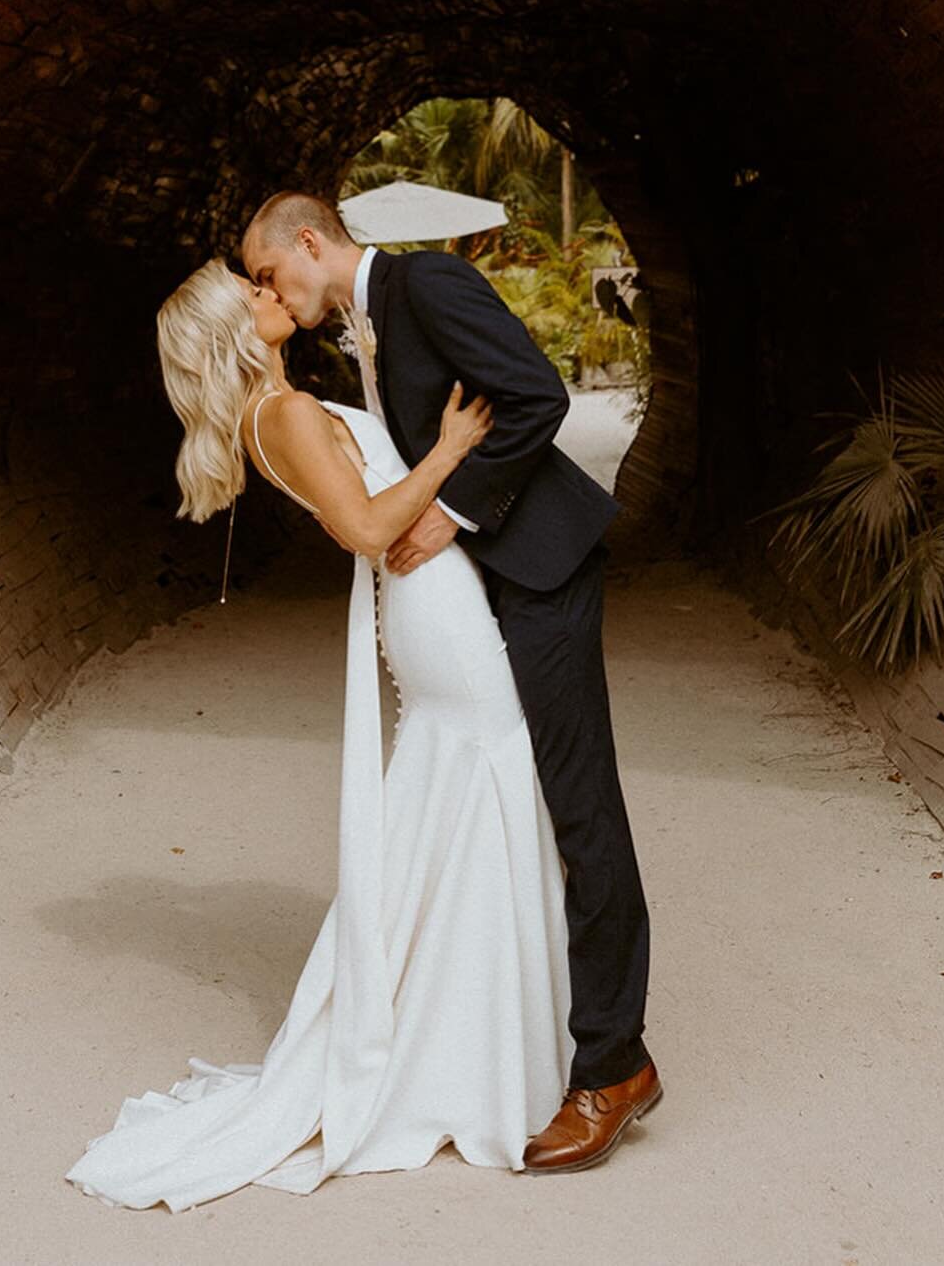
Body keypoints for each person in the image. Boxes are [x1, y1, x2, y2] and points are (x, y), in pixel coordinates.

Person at [64, 255, 592, 1212]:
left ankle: (475, 1039)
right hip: (431, 607)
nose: (271, 294)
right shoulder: (286, 417)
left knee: (466, 803)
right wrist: (448, 449)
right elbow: (363, 528)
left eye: (265, 281)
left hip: (431, 607)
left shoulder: (280, 407)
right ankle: (472, 1054)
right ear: (235, 328)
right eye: (252, 294)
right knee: (490, 784)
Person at [241, 191, 657, 1174]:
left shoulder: (425, 282)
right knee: (539, 803)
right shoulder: (365, 328)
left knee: (580, 808)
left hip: (543, 570)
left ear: (310, 241)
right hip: (493, 586)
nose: (266, 290)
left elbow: (538, 394)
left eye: (266, 272)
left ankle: (613, 1064)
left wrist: (456, 511)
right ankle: (549, 1034)